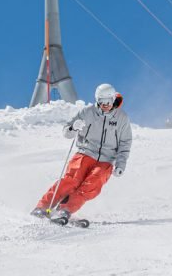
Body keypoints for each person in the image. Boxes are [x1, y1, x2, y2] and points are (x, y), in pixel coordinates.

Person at [32, 83, 133, 223]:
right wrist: (73, 128)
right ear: (97, 100)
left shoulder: (122, 118)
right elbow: (66, 132)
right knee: (71, 181)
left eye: (108, 101)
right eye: (101, 101)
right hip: (85, 153)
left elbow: (125, 143)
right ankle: (43, 207)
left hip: (106, 160)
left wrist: (121, 164)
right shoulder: (87, 112)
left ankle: (65, 210)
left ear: (113, 99)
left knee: (92, 185)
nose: (105, 105)